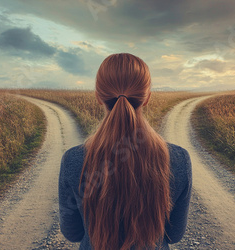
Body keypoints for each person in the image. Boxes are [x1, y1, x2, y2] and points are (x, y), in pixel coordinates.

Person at [58, 53, 192, 250]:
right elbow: (174, 235)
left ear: (98, 97)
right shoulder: (179, 159)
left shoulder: (73, 160)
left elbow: (72, 233)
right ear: (147, 98)